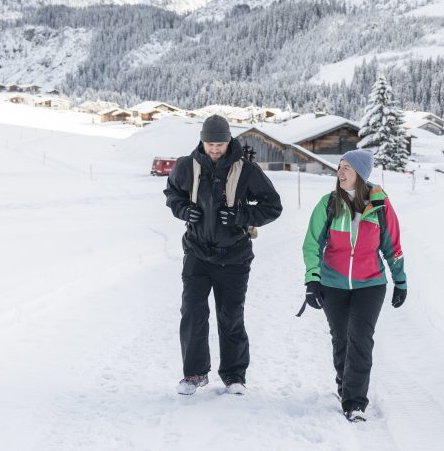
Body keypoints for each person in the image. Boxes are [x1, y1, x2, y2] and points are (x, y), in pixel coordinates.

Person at [164, 114, 282, 396]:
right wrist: (182, 210)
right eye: (210, 144)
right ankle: (194, 374)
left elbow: (272, 206)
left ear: (229, 141)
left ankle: (234, 376)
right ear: (202, 141)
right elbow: (172, 194)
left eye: (220, 144)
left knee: (230, 315)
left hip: (234, 256)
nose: (215, 149)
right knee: (192, 312)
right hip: (196, 253)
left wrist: (242, 216)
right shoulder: (186, 166)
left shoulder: (247, 170)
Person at [301, 149, 407, 422]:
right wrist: (313, 279)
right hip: (333, 283)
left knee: (360, 340)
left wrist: (400, 281)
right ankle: (345, 386)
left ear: (360, 173)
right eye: (340, 166)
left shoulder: (380, 206)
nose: (341, 172)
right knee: (341, 339)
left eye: (347, 167)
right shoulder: (329, 203)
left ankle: (355, 402)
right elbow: (313, 243)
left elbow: (392, 246)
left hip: (370, 284)